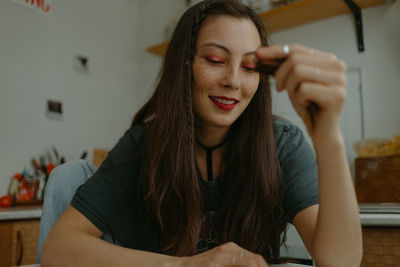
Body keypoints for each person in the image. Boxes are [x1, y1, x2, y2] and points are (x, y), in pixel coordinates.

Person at [41, 0, 362, 266]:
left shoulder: (282, 145)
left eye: (250, 67)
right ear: (184, 65)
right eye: (215, 60)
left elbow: (340, 262)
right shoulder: (144, 146)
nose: (233, 81)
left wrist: (328, 136)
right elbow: (57, 249)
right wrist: (184, 265)